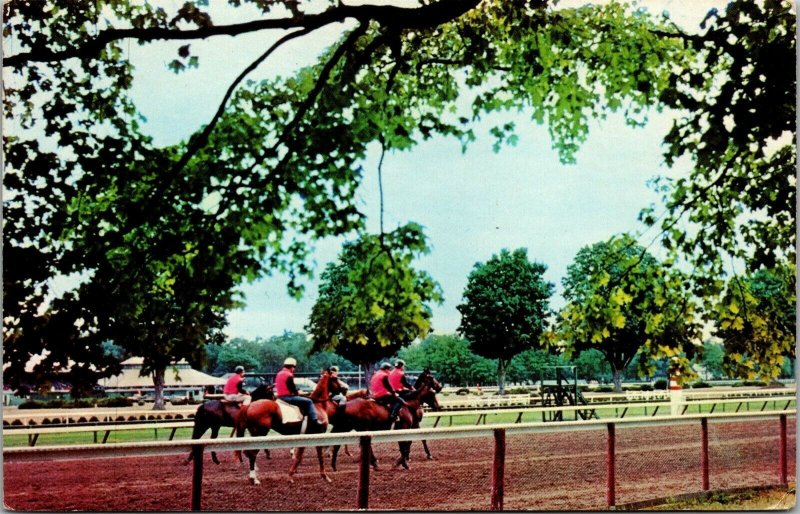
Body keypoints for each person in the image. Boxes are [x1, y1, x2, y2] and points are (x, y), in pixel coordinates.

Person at [275, 357, 322, 425]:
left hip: (279, 397)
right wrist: (299, 393)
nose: (294, 369)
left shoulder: (279, 373)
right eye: (294, 367)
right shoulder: (289, 375)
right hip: (288, 397)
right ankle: (314, 421)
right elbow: (292, 389)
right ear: (292, 367)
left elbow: (287, 386)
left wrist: (297, 391)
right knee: (309, 401)